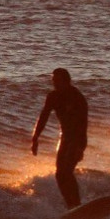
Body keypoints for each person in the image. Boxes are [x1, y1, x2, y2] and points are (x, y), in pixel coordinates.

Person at [31, 68, 88, 209]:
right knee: (59, 174)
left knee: (67, 172)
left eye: (57, 81)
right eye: (53, 80)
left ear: (66, 81)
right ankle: (71, 205)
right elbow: (43, 116)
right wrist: (35, 138)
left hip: (77, 138)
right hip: (64, 138)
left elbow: (83, 124)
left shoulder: (77, 97)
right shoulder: (53, 96)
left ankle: (77, 203)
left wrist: (80, 147)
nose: (54, 83)